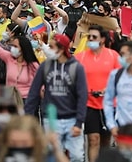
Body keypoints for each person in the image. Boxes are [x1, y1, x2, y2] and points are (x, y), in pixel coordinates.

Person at [24, 34, 88, 162]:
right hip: (51, 119)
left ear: (61, 49)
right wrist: (28, 117)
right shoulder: (45, 66)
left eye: (52, 47)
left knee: (76, 157)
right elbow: (34, 92)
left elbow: (82, 96)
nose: (49, 49)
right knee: (53, 156)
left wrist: (79, 122)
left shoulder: (76, 68)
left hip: (72, 118)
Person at [74, 25, 119, 161]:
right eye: (89, 37)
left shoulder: (113, 56)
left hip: (109, 105)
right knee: (93, 139)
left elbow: (119, 78)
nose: (91, 39)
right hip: (88, 104)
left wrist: (108, 90)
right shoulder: (80, 57)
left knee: (105, 141)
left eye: (94, 37)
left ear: (103, 39)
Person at [0, 115, 68, 162]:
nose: (19, 147)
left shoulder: (45, 157)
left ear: (35, 141)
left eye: (24, 143)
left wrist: (56, 149)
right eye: (13, 143)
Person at [0, 34, 39, 101]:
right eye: (12, 46)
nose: (12, 48)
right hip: (10, 99)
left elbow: (40, 85)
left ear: (23, 49)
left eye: (15, 46)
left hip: (27, 100)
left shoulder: (33, 65)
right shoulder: (9, 57)